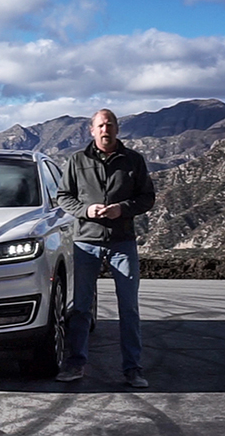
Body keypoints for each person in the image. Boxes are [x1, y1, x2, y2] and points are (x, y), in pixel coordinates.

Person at [55, 109, 155, 388]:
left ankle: (133, 368)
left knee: (129, 308)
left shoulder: (133, 160)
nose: (105, 129)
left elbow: (147, 197)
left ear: (117, 129)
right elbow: (64, 197)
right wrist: (87, 210)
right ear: (91, 130)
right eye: (100, 125)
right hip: (86, 242)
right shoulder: (77, 161)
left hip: (122, 242)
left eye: (109, 125)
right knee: (81, 308)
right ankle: (75, 364)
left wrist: (121, 210)